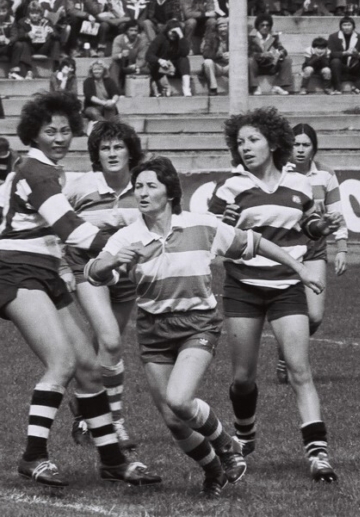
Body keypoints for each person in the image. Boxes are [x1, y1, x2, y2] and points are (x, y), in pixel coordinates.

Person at [87, 156, 326, 497]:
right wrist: (109, 262)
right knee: (172, 419)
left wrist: (299, 268)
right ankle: (214, 468)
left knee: (180, 400)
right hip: (153, 330)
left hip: (196, 325)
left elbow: (255, 242)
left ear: (169, 192)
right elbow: (92, 272)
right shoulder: (127, 237)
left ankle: (226, 445)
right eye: (138, 186)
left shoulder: (202, 225)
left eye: (150, 186)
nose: (142, 192)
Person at [0, 91, 161, 489]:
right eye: (49, 131)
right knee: (63, 363)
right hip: (20, 273)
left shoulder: (39, 171)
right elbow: (70, 228)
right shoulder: (37, 172)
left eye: (65, 130)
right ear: (32, 135)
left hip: (42, 273)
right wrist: (124, 247)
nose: (59, 137)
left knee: (89, 367)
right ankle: (33, 456)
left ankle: (111, 460)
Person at [208, 107, 341, 483]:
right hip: (243, 288)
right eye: (240, 142)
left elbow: (307, 227)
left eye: (253, 140)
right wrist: (227, 224)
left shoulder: (299, 183)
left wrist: (321, 225)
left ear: (272, 142)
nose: (245, 148)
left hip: (287, 286)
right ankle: (245, 436)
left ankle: (318, 455)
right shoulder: (230, 186)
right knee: (243, 378)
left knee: (300, 370)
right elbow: (214, 237)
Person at [63, 122, 143, 449]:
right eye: (105, 148)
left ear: (130, 151)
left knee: (103, 346)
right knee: (110, 341)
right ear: (96, 154)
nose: (111, 153)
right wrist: (58, 263)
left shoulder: (144, 185)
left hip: (127, 275)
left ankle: (85, 411)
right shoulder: (81, 186)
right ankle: (116, 421)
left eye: (117, 147)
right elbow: (51, 218)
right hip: (88, 268)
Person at [275, 124, 348, 382]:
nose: (301, 149)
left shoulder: (326, 174)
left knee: (314, 315)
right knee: (287, 310)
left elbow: (336, 212)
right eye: (296, 144)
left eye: (306, 145)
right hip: (286, 247)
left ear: (314, 148)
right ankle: (293, 364)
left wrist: (341, 248)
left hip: (315, 249)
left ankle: (285, 353)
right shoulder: (280, 172)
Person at [248, 14, 293, 95]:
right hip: (257, 65)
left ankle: (278, 86)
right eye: (262, 25)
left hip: (270, 64)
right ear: (258, 26)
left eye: (267, 25)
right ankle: (255, 87)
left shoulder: (274, 37)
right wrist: (262, 55)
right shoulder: (251, 37)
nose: (265, 27)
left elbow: (282, 48)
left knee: (287, 60)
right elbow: (249, 52)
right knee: (250, 60)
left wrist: (280, 53)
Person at [146, 19, 191, 97]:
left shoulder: (179, 39)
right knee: (153, 65)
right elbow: (148, 55)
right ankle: (163, 88)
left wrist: (181, 36)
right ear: (167, 30)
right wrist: (160, 60)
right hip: (161, 68)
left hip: (174, 69)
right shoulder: (160, 38)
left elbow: (185, 53)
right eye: (171, 32)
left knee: (184, 59)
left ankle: (186, 89)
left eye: (175, 33)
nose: (173, 35)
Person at [109, 19, 148, 89]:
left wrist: (136, 65)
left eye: (135, 30)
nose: (133, 33)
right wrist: (121, 55)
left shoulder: (141, 41)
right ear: (126, 31)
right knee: (114, 65)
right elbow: (114, 56)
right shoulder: (119, 39)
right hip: (121, 64)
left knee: (146, 67)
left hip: (134, 65)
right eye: (131, 30)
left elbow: (142, 58)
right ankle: (114, 90)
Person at [327, 15, 360, 93]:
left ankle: (357, 87)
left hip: (354, 65)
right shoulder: (333, 37)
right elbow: (331, 54)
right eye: (344, 25)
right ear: (341, 27)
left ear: (353, 26)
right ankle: (337, 88)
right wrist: (345, 53)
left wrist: (357, 54)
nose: (347, 27)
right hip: (341, 66)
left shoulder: (359, 37)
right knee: (335, 61)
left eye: (349, 25)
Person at [201, 17, 229, 96]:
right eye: (220, 27)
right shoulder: (211, 38)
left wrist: (233, 55)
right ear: (217, 28)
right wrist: (218, 55)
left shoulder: (234, 37)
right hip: (217, 66)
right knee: (207, 62)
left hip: (230, 66)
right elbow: (206, 54)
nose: (223, 29)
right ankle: (213, 88)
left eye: (225, 26)